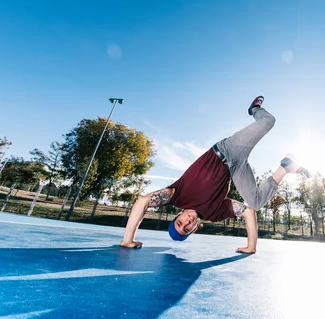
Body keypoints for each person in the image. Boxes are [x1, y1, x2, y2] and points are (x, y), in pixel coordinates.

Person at [120, 96, 308, 254]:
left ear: (179, 214)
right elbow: (248, 213)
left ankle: (255, 108)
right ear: (194, 229)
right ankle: (285, 167)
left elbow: (142, 201)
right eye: (187, 228)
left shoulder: (177, 195)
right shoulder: (215, 213)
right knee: (256, 202)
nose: (187, 222)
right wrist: (251, 247)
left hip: (228, 150)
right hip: (236, 169)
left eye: (180, 222)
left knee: (268, 121)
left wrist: (128, 240)